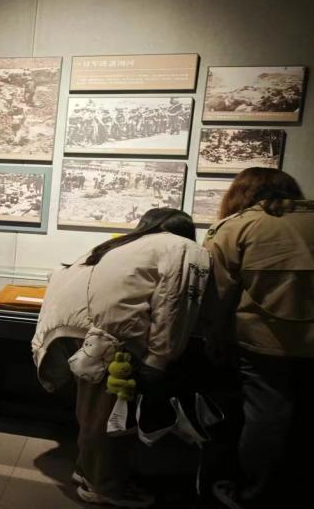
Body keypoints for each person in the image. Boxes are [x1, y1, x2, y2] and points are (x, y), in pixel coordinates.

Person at [201, 168, 314, 509]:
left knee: (267, 418)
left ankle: (256, 494)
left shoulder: (234, 227)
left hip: (266, 341)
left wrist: (213, 339)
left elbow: (216, 296)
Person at [32, 208, 211, 508]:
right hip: (110, 334)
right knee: (110, 415)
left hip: (71, 330)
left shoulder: (121, 244)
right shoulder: (184, 248)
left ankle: (88, 470)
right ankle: (105, 486)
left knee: (91, 409)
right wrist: (160, 357)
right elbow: (175, 305)